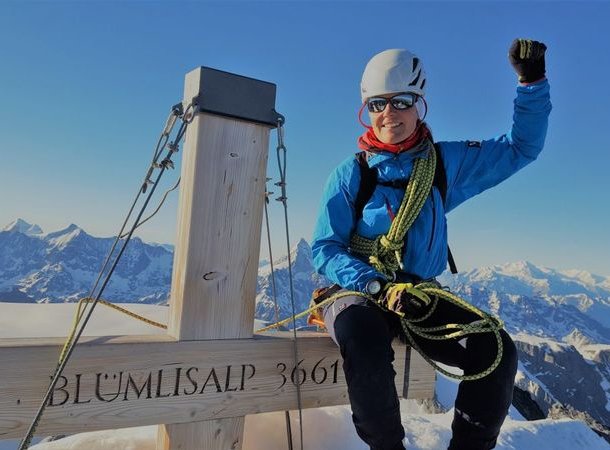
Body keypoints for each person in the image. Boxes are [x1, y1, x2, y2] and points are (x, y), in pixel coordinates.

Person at [310, 39, 551, 450]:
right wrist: (375, 285)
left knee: (494, 349)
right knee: (362, 332)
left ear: (419, 103)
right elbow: (325, 247)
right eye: (377, 104)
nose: (389, 114)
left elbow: (520, 148)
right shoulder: (351, 174)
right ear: (366, 110)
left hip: (418, 292)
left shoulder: (444, 165)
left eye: (401, 101)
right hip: (362, 291)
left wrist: (532, 83)